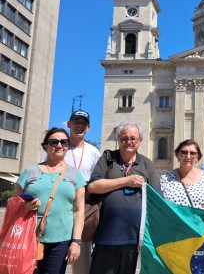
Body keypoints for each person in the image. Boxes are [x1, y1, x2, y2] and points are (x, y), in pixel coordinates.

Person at [88, 122, 159, 274]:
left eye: (133, 138)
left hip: (135, 237)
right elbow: (93, 186)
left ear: (140, 140)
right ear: (118, 140)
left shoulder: (147, 164)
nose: (129, 141)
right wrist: (126, 181)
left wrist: (148, 236)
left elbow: (156, 199)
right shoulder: (108, 158)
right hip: (107, 234)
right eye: (124, 138)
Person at [14, 128, 85, 274]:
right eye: (54, 142)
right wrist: (25, 206)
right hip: (28, 239)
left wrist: (76, 242)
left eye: (64, 142)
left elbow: (79, 211)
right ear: (46, 146)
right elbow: (14, 203)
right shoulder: (30, 171)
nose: (59, 145)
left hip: (61, 242)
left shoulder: (75, 174)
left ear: (67, 146)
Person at [41, 109, 101, 274]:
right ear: (69, 124)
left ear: (88, 128)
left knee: (81, 262)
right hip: (59, 207)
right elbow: (43, 172)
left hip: (84, 208)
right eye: (76, 122)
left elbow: (98, 178)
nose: (79, 126)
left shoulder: (94, 152)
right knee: (54, 258)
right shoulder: (57, 147)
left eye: (83, 123)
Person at [160, 139, 204, 211]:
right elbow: (157, 202)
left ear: (197, 157)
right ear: (177, 155)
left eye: (192, 153)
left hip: (199, 222)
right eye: (184, 152)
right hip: (173, 221)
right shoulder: (165, 178)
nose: (188, 156)